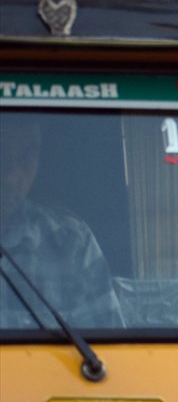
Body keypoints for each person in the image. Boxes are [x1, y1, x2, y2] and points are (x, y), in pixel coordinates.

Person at [0, 118, 123, 330]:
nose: (9, 178)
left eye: (26, 157)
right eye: (1, 156)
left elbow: (105, 343)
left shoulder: (71, 243)